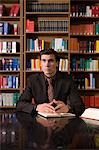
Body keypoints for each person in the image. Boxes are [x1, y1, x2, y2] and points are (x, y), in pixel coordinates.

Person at [16, 48, 85, 116]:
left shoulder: (68, 80)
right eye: (44, 60)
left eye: (50, 61)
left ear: (57, 63)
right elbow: (20, 104)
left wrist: (68, 108)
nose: (47, 64)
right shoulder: (32, 80)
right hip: (40, 122)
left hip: (62, 120)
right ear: (40, 64)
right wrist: (37, 107)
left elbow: (80, 107)